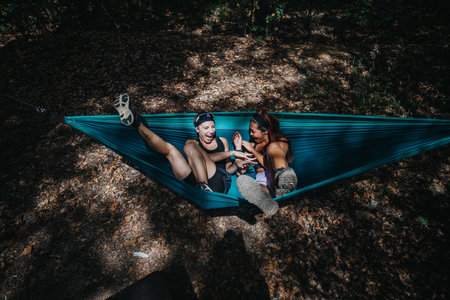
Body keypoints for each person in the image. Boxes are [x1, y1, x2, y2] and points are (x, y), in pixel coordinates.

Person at [114, 93, 254, 193]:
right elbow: (204, 157)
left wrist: (235, 159)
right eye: (206, 128)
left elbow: (228, 169)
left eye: (213, 127)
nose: (211, 131)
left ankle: (204, 187)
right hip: (193, 179)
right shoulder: (192, 143)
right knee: (170, 150)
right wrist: (232, 152)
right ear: (197, 129)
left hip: (218, 182)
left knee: (191, 147)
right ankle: (135, 123)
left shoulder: (222, 141)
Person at [233, 110, 297, 215]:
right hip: (263, 183)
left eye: (253, 131)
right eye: (250, 131)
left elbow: (268, 165)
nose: (250, 134)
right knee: (246, 183)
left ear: (266, 131)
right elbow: (240, 172)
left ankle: (283, 187)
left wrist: (253, 150)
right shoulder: (251, 145)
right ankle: (269, 205)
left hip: (279, 178)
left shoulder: (280, 141)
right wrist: (238, 148)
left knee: (272, 148)